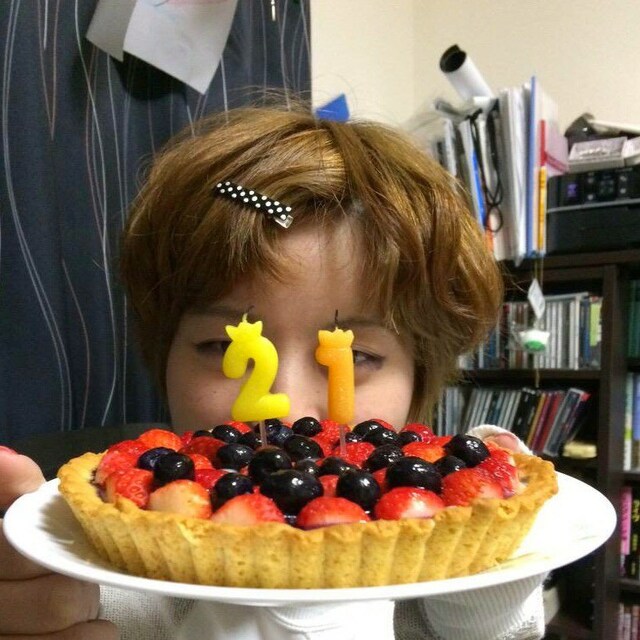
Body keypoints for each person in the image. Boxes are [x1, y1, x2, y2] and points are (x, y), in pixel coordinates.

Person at [0, 104, 546, 640]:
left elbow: (493, 629)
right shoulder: (107, 552)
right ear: (163, 358)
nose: (287, 406)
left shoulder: (439, 534)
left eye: (353, 356)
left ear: (419, 374)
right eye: (223, 347)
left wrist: (490, 535)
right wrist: (41, 590)